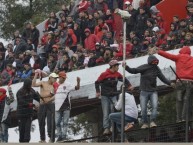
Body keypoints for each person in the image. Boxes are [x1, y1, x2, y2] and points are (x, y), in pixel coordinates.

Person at [123, 55, 175, 128]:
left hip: (153, 91)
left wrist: (170, 83)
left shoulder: (157, 69)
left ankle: (152, 121)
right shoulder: (144, 67)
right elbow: (134, 71)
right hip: (144, 91)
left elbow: (163, 78)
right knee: (143, 109)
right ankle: (145, 123)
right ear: (150, 61)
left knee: (155, 107)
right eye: (154, 62)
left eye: (156, 62)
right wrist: (126, 67)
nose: (155, 63)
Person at [95, 59, 133, 135]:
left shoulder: (117, 74)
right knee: (106, 112)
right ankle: (106, 128)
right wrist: (98, 92)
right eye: (117, 66)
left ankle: (113, 126)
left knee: (114, 111)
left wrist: (129, 85)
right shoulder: (104, 74)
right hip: (105, 96)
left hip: (113, 95)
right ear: (113, 66)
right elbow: (97, 82)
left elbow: (124, 79)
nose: (118, 67)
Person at [157, 46, 193, 122]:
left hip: (180, 81)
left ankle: (178, 118)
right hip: (190, 82)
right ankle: (184, 118)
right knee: (186, 100)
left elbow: (168, 55)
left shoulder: (179, 57)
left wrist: (159, 51)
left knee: (179, 100)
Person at [32, 72, 58, 143]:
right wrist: (36, 75)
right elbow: (33, 84)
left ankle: (51, 138)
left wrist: (48, 99)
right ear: (50, 77)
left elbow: (55, 94)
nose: (56, 79)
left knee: (51, 121)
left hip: (51, 104)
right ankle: (42, 139)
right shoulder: (43, 83)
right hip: (42, 104)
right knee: (41, 121)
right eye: (54, 78)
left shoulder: (55, 85)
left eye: (56, 78)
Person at [54, 71, 80, 142]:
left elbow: (77, 88)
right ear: (59, 77)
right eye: (63, 77)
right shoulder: (55, 84)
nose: (64, 79)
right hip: (57, 107)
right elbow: (51, 94)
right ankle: (59, 136)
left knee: (65, 122)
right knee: (57, 123)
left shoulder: (68, 84)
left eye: (65, 78)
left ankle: (64, 136)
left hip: (66, 106)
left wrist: (78, 82)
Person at [16, 78, 40, 142]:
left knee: (27, 130)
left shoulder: (32, 90)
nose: (30, 86)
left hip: (29, 114)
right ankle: (21, 142)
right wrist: (31, 105)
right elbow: (21, 101)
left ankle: (27, 142)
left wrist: (42, 99)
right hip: (21, 114)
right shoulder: (20, 91)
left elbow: (38, 98)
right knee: (22, 130)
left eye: (31, 84)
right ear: (26, 84)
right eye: (29, 85)